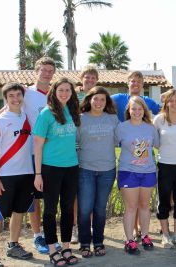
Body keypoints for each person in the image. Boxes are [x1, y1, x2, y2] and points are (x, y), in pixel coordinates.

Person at [0, 57, 59, 254]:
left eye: (50, 70)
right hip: (14, 166)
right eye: (43, 69)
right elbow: (9, 105)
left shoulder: (56, 93)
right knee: (4, 212)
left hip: (43, 158)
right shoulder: (26, 92)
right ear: (37, 71)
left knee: (30, 204)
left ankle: (16, 244)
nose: (46, 73)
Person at [0, 83, 34, 267]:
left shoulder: (27, 117)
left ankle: (13, 245)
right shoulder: (0, 121)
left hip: (26, 174)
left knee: (19, 212)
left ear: (23, 96)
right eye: (11, 96)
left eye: (18, 95)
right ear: (5, 99)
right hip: (5, 176)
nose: (15, 99)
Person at [33, 77, 80, 265]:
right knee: (50, 210)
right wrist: (37, 174)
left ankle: (66, 247)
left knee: (68, 209)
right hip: (50, 168)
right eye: (61, 90)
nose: (64, 93)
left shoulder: (72, 111)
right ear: (54, 91)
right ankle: (53, 249)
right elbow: (37, 145)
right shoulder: (46, 114)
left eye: (68, 90)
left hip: (71, 167)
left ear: (72, 93)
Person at [76, 87, 119, 257]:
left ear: (106, 102)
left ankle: (99, 241)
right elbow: (75, 142)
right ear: (89, 100)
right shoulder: (80, 119)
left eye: (102, 99)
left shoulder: (113, 119)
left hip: (107, 170)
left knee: (100, 209)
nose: (99, 102)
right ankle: (85, 242)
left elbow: (120, 140)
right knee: (85, 209)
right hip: (85, 169)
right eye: (96, 99)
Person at [115, 96, 159, 255]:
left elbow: (159, 145)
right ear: (128, 110)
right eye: (134, 109)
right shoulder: (121, 127)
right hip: (128, 172)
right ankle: (129, 240)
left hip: (148, 171)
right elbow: (111, 144)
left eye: (140, 109)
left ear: (144, 111)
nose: (137, 112)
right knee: (131, 207)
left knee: (145, 206)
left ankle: (146, 235)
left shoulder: (150, 128)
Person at [154, 89, 176, 249]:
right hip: (164, 166)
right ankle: (166, 235)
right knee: (163, 201)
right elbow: (152, 140)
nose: (174, 103)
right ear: (166, 102)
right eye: (171, 100)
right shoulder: (159, 120)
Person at [71, 64, 99, 244]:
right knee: (75, 192)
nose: (89, 80)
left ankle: (88, 225)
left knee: (90, 192)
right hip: (72, 147)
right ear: (81, 78)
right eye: (86, 77)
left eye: (93, 77)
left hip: (92, 149)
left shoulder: (99, 97)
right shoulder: (73, 95)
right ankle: (75, 227)